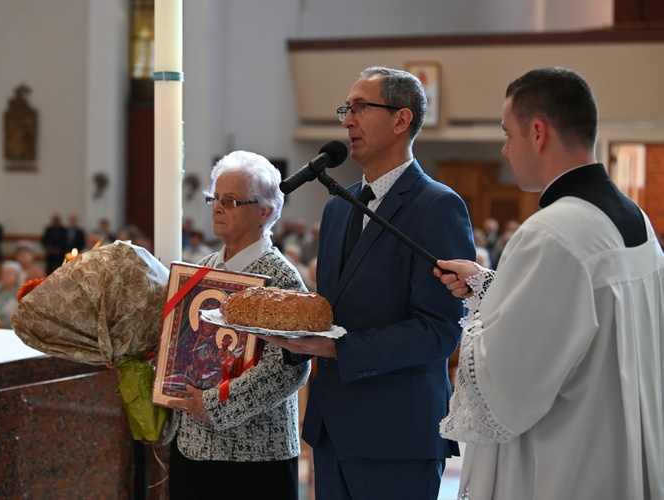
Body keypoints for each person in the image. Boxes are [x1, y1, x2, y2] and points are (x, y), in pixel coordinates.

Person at [435, 67, 664, 500]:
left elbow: (503, 384)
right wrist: (490, 287)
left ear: (537, 132)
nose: (505, 149)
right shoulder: (637, 219)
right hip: (624, 454)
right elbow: (580, 321)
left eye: (507, 134)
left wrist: (480, 315)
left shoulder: (550, 233)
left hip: (568, 468)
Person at [265, 66, 475, 499]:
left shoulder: (436, 206)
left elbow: (439, 331)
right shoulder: (339, 208)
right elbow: (332, 311)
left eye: (360, 108)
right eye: (346, 109)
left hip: (396, 434)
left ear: (401, 120)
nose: (346, 121)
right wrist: (294, 333)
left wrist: (340, 348)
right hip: (332, 430)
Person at [162, 150, 312, 500]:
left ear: (266, 211)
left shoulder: (282, 280)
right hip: (193, 448)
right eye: (215, 198)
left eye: (230, 201)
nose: (217, 207)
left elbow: (289, 370)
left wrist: (213, 404)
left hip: (256, 458)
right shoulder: (200, 270)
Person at [0, 260, 21, 328]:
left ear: (17, 276)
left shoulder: (22, 295)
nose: (6, 276)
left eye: (9, 274)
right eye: (4, 273)